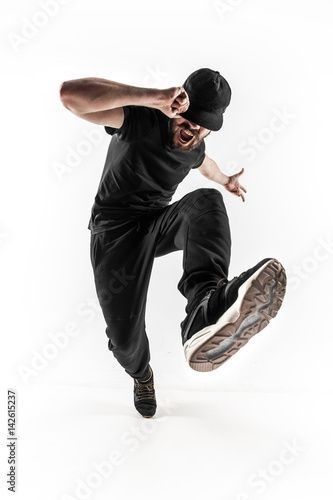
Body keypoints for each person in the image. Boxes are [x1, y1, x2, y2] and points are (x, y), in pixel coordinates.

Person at [59, 68, 287, 419]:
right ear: (177, 104)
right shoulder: (139, 118)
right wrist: (152, 96)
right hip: (113, 232)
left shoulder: (196, 147)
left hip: (156, 225)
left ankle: (205, 307)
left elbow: (206, 165)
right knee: (124, 341)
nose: (193, 129)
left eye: (203, 124)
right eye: (189, 119)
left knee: (207, 202)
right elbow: (70, 97)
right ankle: (142, 375)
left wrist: (226, 180)